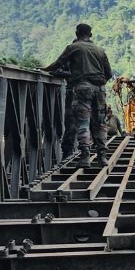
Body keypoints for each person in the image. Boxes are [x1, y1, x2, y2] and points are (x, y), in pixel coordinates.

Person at [43, 23, 113, 166]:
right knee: (100, 123)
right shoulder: (100, 50)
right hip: (100, 90)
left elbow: (58, 64)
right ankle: (102, 157)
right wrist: (100, 84)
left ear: (76, 33)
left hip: (82, 88)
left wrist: (44, 69)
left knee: (83, 122)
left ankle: (85, 157)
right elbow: (109, 73)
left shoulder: (73, 48)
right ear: (91, 35)